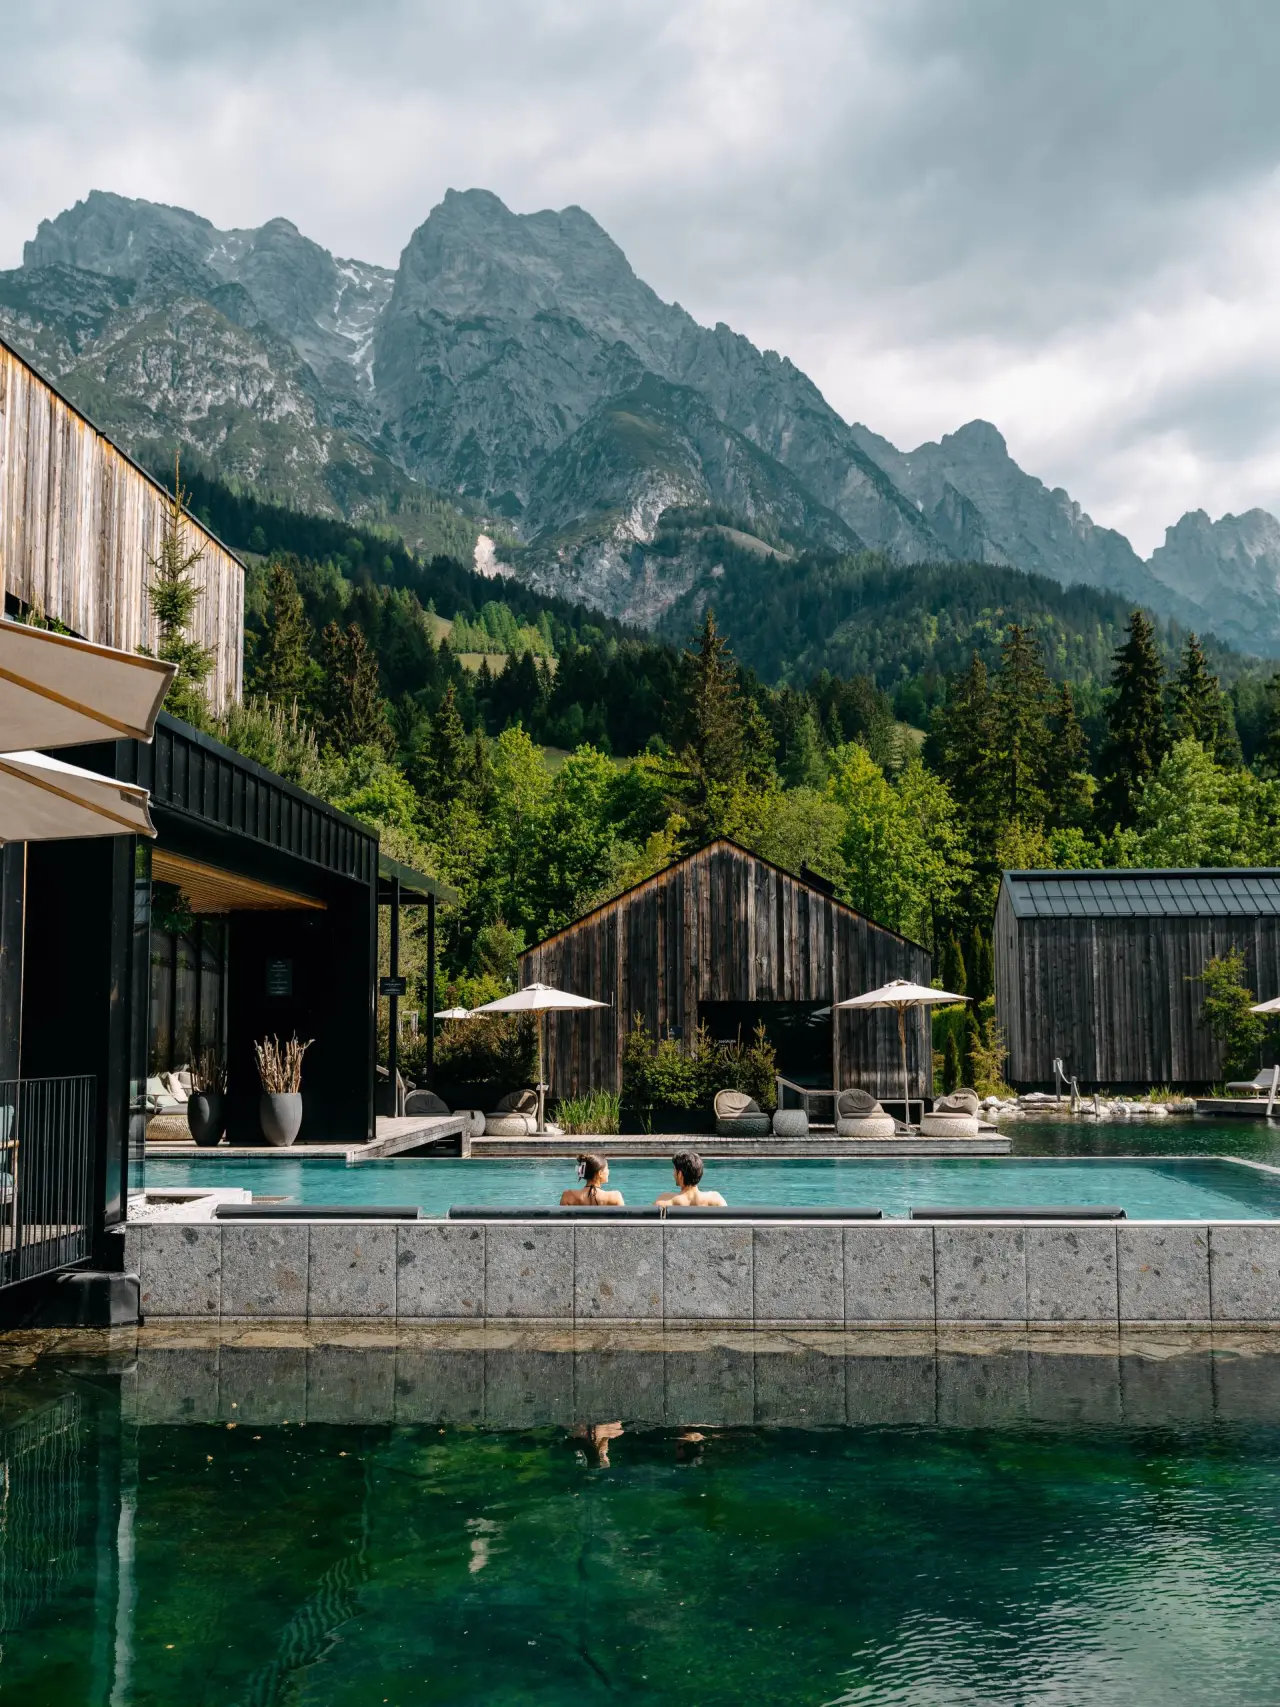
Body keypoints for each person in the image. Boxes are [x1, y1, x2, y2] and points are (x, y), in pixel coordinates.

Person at [655, 1150, 726, 1207]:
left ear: (679, 1174)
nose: (673, 1173)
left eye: (674, 1170)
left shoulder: (665, 1200)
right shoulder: (716, 1199)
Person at [560, 1152, 624, 1207]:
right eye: (607, 1168)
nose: (608, 1171)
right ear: (600, 1173)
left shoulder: (568, 1196)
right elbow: (623, 1220)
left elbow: (561, 1219)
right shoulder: (615, 1197)